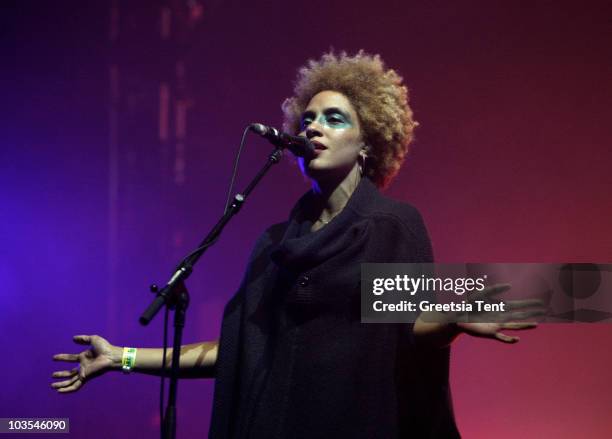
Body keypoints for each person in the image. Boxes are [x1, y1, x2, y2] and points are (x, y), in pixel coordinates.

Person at [53, 51, 539, 438]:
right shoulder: (273, 244)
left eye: (334, 119)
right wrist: (123, 358)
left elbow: (405, 328)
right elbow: (241, 352)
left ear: (367, 142)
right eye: (308, 119)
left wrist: (452, 320)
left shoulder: (391, 224)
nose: (313, 128)